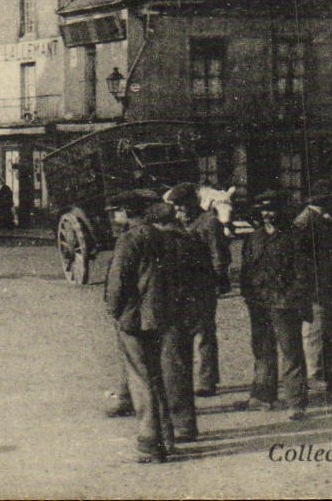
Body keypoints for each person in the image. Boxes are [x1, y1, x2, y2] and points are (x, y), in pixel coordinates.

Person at [106, 197, 177, 462]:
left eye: (118, 211)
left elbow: (118, 281)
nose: (115, 216)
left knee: (140, 379)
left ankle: (150, 443)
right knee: (157, 376)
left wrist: (114, 312)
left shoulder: (129, 239)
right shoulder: (164, 237)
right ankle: (168, 438)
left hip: (135, 319)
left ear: (127, 212)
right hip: (161, 316)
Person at [239, 189, 312, 420]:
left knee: (291, 352)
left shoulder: (295, 236)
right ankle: (263, 396)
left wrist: (291, 298)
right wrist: (249, 296)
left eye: (271, 210)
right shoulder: (254, 238)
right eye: (263, 211)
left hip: (284, 304)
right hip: (259, 303)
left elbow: (303, 274)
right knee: (261, 349)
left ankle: (296, 403)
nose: (267, 215)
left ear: (282, 211)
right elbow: (246, 271)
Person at [166, 182, 228, 397]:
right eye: (176, 207)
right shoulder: (179, 223)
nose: (178, 211)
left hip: (202, 286)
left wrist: (217, 281)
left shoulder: (209, 222)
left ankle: (206, 381)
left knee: (204, 334)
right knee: (182, 334)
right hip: (180, 288)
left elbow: (219, 256)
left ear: (193, 203)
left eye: (181, 206)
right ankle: (186, 380)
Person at [295, 192, 332, 392]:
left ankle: (325, 370)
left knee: (331, 329)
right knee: (315, 331)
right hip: (315, 287)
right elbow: (301, 259)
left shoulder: (321, 219)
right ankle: (313, 374)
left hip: (328, 285)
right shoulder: (305, 222)